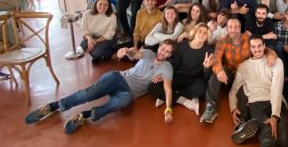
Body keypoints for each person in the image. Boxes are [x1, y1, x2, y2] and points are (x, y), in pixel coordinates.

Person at [25, 40, 176, 134]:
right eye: (163, 48)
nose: (163, 53)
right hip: (118, 78)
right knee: (88, 94)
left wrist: (168, 109)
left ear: (170, 55)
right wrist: (127, 50)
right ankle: (52, 106)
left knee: (124, 101)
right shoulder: (148, 53)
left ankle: (84, 116)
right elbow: (137, 54)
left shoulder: (166, 68)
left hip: (127, 92)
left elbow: (168, 89)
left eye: (167, 52)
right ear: (159, 47)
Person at [200, 17, 277, 123]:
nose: (233, 30)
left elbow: (263, 48)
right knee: (214, 76)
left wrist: (271, 54)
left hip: (245, 74)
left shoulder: (248, 39)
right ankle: (211, 107)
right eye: (230, 27)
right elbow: (216, 57)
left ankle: (243, 119)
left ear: (240, 28)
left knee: (243, 93)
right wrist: (219, 71)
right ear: (227, 29)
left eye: (236, 27)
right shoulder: (222, 41)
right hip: (229, 73)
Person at [148, 23, 213, 116]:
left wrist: (206, 68)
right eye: (199, 31)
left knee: (202, 90)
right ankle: (180, 99)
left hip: (195, 78)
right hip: (178, 75)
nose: (202, 34)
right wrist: (163, 75)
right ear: (194, 32)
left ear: (207, 36)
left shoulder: (209, 50)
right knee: (153, 86)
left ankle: (167, 96)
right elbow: (172, 65)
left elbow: (206, 76)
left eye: (205, 33)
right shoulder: (181, 46)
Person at [78, 0, 117, 64]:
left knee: (96, 52)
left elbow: (110, 33)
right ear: (96, 4)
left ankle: (110, 52)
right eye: (100, 4)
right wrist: (90, 39)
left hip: (106, 38)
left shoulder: (112, 16)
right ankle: (100, 54)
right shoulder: (87, 14)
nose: (102, 7)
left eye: (105, 5)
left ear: (108, 6)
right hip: (91, 37)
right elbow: (83, 28)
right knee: (83, 46)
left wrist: (94, 42)